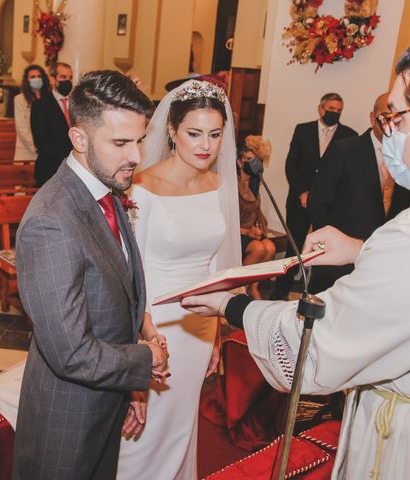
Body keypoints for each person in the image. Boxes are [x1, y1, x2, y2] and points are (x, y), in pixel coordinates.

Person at [181, 31, 410, 480]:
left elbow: (311, 350)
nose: (388, 130)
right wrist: (360, 249)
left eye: (397, 116)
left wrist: (230, 304)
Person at [13, 70, 168, 480]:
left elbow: (116, 291)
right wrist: (144, 360)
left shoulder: (106, 188)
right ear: (79, 139)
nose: (135, 156)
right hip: (67, 419)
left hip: (105, 401)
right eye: (120, 143)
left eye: (139, 140)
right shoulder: (51, 221)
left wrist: (130, 384)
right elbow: (71, 352)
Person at [117, 79, 241, 479]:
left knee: (180, 428)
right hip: (155, 326)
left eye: (215, 134)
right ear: (171, 131)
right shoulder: (143, 187)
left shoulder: (218, 185)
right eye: (194, 133)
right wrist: (139, 341)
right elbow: (128, 274)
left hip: (199, 328)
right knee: (143, 429)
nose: (205, 145)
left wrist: (218, 332)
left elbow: (216, 268)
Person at [307, 93, 410, 293]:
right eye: (386, 117)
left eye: (398, 119)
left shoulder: (408, 156)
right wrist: (330, 242)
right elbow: (318, 202)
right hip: (337, 261)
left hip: (378, 260)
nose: (392, 124)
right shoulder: (345, 150)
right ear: (373, 118)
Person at [271, 93, 357, 300]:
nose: (334, 113)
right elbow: (292, 164)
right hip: (299, 201)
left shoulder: (350, 135)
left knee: (323, 251)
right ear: (320, 109)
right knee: (294, 248)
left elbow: (346, 173)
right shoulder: (303, 130)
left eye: (338, 111)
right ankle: (278, 294)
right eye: (331, 109)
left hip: (328, 205)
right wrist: (302, 192)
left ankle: (318, 295)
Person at [237, 137, 276, 299]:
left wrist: (257, 228)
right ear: (240, 162)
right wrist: (246, 231)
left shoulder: (254, 184)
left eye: (255, 161)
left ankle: (253, 286)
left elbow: (256, 211)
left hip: (248, 232)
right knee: (259, 249)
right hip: (234, 232)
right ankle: (239, 288)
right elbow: (226, 217)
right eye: (248, 160)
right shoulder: (233, 182)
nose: (252, 164)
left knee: (270, 247)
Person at [30, 61, 73, 185]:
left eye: (70, 78)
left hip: (74, 169)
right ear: (53, 79)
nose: (68, 81)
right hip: (50, 169)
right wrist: (66, 161)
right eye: (63, 77)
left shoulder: (77, 104)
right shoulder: (40, 105)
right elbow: (41, 141)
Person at [13, 64, 50, 162]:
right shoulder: (19, 99)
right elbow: (21, 127)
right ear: (27, 80)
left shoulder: (49, 98)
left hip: (48, 152)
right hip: (27, 151)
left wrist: (47, 147)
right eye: (33, 77)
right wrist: (36, 146)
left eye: (39, 76)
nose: (36, 79)